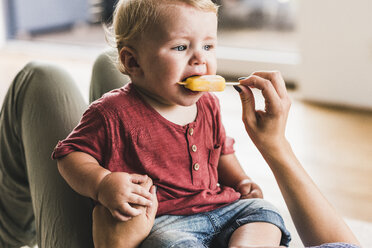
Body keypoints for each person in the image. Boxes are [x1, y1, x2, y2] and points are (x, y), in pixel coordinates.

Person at [52, 0, 291, 247]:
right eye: (180, 47)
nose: (200, 58)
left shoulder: (208, 103)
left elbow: (221, 152)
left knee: (265, 213)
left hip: (220, 207)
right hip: (165, 222)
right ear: (134, 62)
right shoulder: (111, 113)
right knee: (167, 244)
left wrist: (241, 181)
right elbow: (69, 155)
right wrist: (101, 183)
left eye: (208, 45)